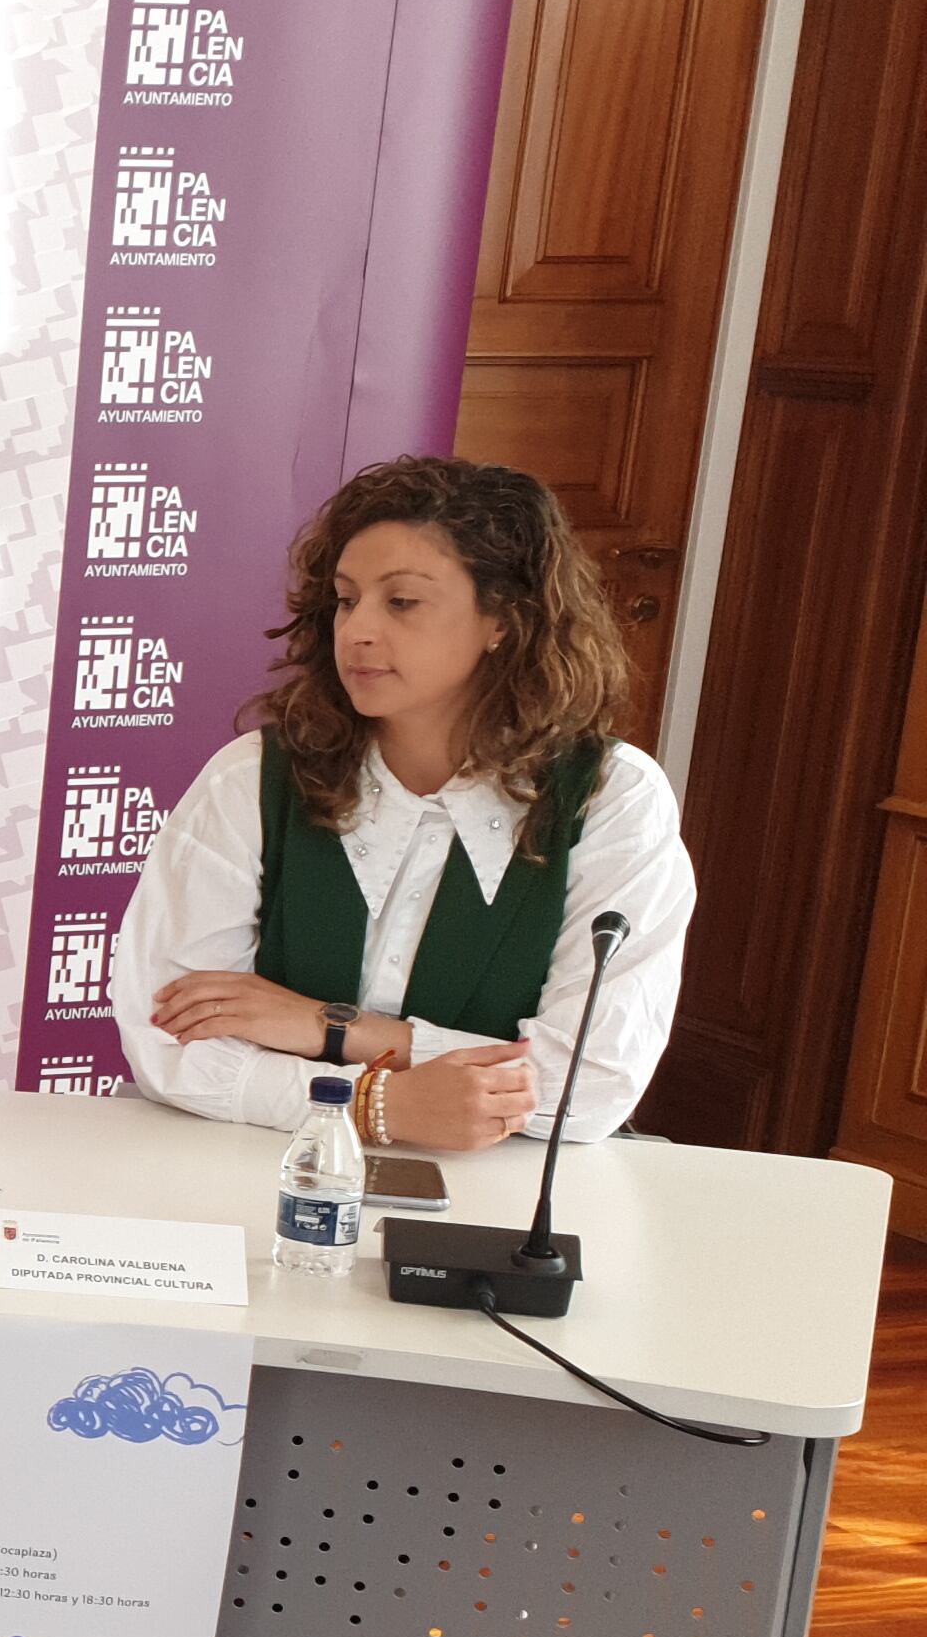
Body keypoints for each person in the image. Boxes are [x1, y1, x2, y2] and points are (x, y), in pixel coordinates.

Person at [113, 455, 694, 1149]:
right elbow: (170, 1045)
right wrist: (380, 1105)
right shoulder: (251, 780)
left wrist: (337, 1030)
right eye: (347, 599)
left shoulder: (611, 800)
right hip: (253, 1169)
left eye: (402, 602)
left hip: (498, 1199)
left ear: (502, 621)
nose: (357, 630)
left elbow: (589, 1088)